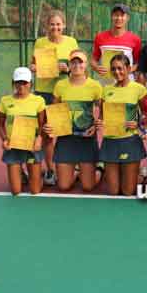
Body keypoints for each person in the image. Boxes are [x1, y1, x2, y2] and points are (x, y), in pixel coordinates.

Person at [42, 50, 103, 192]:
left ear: (86, 65)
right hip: (66, 139)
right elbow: (54, 108)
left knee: (88, 186)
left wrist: (97, 124)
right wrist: (51, 126)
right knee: (63, 186)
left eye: (80, 62)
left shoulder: (95, 86)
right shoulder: (60, 86)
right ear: (69, 65)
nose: (77, 65)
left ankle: (99, 171)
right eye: (73, 62)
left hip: (87, 139)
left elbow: (104, 109)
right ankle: (76, 173)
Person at [29, 10, 78, 186]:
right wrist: (34, 67)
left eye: (58, 24)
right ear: (46, 26)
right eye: (52, 24)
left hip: (64, 93)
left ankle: (67, 167)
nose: (55, 27)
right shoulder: (40, 42)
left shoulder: (71, 42)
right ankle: (50, 169)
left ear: (64, 25)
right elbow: (33, 63)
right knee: (48, 134)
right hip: (44, 94)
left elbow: (79, 66)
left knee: (64, 133)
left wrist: (68, 68)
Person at [96, 54, 147, 196]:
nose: (117, 72)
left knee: (127, 192)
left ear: (129, 68)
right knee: (113, 192)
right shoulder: (106, 90)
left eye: (120, 68)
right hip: (110, 142)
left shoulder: (139, 89)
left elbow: (146, 117)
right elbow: (101, 116)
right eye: (113, 69)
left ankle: (139, 176)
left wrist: (137, 124)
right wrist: (99, 122)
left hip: (130, 141)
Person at [0, 67, 46, 195]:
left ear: (31, 83)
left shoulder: (39, 101)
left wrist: (39, 139)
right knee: (16, 191)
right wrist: (5, 140)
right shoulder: (5, 101)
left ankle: (39, 174)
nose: (21, 86)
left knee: (35, 191)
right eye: (18, 82)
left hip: (32, 147)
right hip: (13, 148)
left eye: (25, 82)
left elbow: (42, 124)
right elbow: (0, 126)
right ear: (13, 83)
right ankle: (21, 173)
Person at [90, 3, 142, 80]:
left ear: (127, 18)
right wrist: (97, 67)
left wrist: (128, 70)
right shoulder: (100, 37)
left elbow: (138, 63)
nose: (119, 18)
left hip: (126, 83)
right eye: (116, 15)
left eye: (122, 15)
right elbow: (93, 60)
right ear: (111, 17)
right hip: (106, 82)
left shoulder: (135, 39)